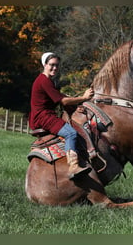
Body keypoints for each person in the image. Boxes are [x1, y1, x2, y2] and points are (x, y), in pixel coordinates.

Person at [29, 52, 94, 180]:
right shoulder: (44, 80)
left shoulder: (47, 80)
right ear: (44, 65)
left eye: (57, 65)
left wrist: (76, 104)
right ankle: (73, 166)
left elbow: (61, 96)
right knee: (71, 133)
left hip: (45, 115)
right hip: (43, 117)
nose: (54, 68)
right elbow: (63, 101)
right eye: (51, 65)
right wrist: (84, 97)